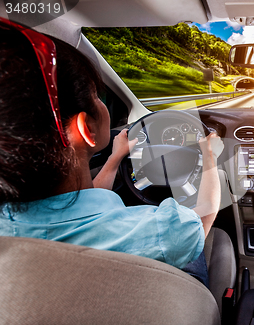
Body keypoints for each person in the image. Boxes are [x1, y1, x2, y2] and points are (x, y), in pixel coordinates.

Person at [0, 19, 222, 286]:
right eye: (98, 97)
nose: (102, 104)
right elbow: (203, 217)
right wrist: (208, 156)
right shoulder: (161, 233)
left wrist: (116, 158)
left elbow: (83, 201)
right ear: (87, 128)